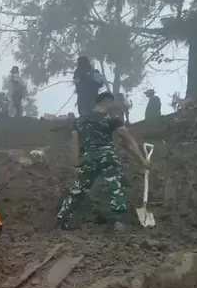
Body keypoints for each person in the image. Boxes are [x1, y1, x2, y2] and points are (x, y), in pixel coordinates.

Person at [56, 92, 151, 231]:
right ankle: (119, 222)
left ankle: (60, 221)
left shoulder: (79, 120)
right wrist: (142, 160)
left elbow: (75, 143)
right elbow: (128, 140)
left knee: (77, 191)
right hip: (107, 156)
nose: (114, 106)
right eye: (113, 103)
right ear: (108, 103)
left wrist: (76, 164)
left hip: (88, 158)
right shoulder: (112, 119)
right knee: (115, 187)